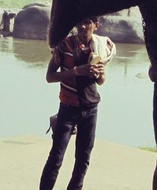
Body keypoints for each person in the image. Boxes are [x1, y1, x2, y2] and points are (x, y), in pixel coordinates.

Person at [39, 16, 116, 190]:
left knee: (83, 159)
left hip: (90, 108)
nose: (83, 26)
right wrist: (76, 71)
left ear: (96, 25)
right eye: (79, 22)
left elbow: (101, 81)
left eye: (88, 22)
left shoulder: (100, 48)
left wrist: (100, 73)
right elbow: (50, 77)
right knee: (56, 158)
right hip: (68, 108)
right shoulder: (64, 46)